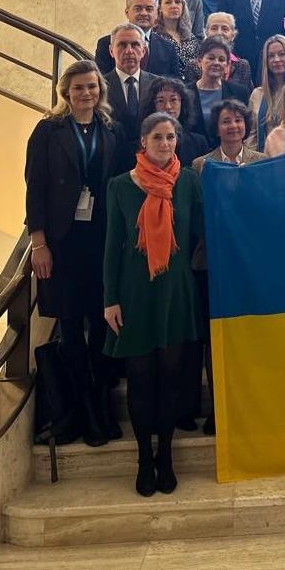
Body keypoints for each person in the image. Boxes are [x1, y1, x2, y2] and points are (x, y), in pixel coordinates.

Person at [103, 112, 204, 496]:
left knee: (171, 378)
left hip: (175, 292)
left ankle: (166, 455)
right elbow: (112, 247)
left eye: (170, 137)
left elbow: (204, 230)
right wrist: (110, 299)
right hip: (135, 293)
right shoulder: (119, 186)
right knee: (141, 380)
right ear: (143, 142)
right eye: (158, 137)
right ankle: (144, 457)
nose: (165, 143)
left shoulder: (188, 181)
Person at [25, 60, 125, 447]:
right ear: (66, 92)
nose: (86, 93)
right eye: (79, 87)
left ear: (101, 90)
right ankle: (82, 413)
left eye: (92, 86)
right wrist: (39, 243)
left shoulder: (111, 130)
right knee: (69, 328)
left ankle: (98, 408)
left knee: (100, 325)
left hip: (100, 240)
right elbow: (35, 188)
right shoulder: (48, 131)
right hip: (62, 243)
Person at [191, 99, 266, 436]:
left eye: (238, 120)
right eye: (226, 121)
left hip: (249, 262)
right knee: (215, 337)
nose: (233, 126)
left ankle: (249, 405)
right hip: (211, 262)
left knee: (249, 334)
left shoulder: (261, 162)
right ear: (216, 127)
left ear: (246, 125)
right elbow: (196, 213)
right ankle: (218, 408)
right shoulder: (201, 165)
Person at [94, 0, 180, 77]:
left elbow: (176, 80)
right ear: (127, 13)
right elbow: (101, 79)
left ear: (157, 13)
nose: (143, 13)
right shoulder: (106, 43)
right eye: (138, 9)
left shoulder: (168, 47)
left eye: (149, 9)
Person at [103, 23, 162, 147]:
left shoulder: (158, 84)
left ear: (143, 50)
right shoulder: (100, 86)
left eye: (135, 45)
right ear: (111, 51)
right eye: (122, 45)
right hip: (112, 153)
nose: (129, 51)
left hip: (149, 153)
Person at [185, 36, 250, 141]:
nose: (216, 63)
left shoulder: (240, 93)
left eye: (221, 59)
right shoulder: (185, 93)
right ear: (199, 61)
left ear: (227, 65)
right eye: (211, 58)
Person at [141, 77, 209, 166]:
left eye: (173, 100)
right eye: (161, 101)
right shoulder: (141, 143)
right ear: (152, 105)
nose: (168, 106)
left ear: (182, 103)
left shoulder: (198, 143)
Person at [190, 12, 252, 92]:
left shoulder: (242, 66)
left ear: (233, 35)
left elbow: (245, 95)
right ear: (206, 33)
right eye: (214, 28)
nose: (219, 32)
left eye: (225, 29)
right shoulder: (193, 66)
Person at [154, 0, 202, 83]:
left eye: (177, 2)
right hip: (166, 85)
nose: (174, 6)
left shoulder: (191, 37)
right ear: (160, 8)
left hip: (192, 85)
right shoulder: (154, 36)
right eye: (168, 2)